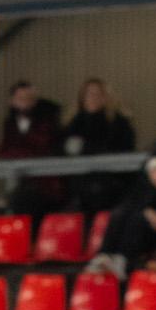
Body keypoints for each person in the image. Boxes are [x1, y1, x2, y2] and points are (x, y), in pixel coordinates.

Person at [86, 152, 156, 278]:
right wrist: (145, 210)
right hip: (142, 239)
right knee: (120, 213)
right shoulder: (139, 192)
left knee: (137, 218)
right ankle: (105, 255)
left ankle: (122, 259)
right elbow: (126, 208)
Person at [62, 78, 136, 217]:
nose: (93, 98)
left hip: (111, 184)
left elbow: (124, 151)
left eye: (98, 94)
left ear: (106, 97)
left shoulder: (119, 123)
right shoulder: (72, 125)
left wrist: (86, 148)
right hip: (78, 186)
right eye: (89, 94)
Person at [0, 81, 65, 218]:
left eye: (30, 98)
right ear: (12, 101)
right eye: (21, 98)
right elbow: (3, 151)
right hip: (20, 181)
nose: (26, 102)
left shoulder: (48, 120)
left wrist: (18, 153)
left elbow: (41, 147)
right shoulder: (10, 123)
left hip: (46, 184)